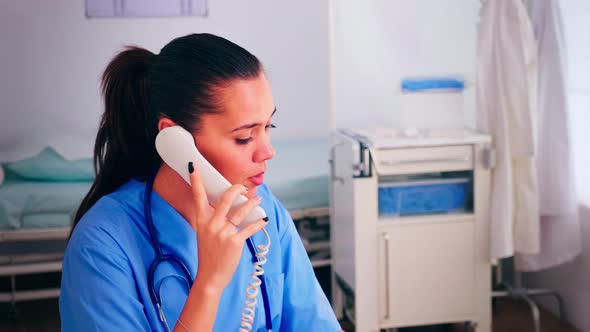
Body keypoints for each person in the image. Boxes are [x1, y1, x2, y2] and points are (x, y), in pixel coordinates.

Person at [59, 33, 342, 332]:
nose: (268, 151)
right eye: (244, 137)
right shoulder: (101, 245)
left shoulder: (262, 211)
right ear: (174, 139)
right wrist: (209, 284)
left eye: (268, 126)